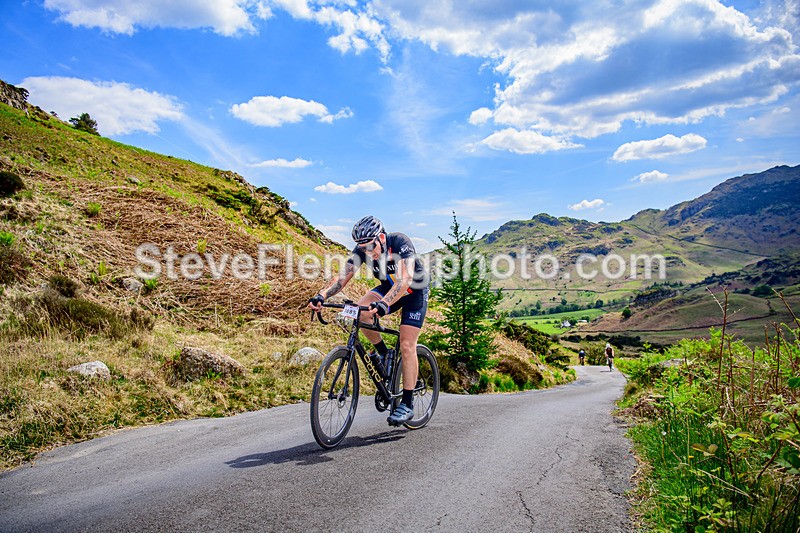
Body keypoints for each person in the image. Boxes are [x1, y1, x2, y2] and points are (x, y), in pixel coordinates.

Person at [308, 215, 429, 426]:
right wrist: (322, 295)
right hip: (389, 289)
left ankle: (407, 403)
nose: (368, 252)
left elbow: (405, 279)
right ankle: (384, 353)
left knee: (407, 344)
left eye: (371, 246)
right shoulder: (362, 251)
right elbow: (342, 278)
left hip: (414, 291)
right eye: (362, 248)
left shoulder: (400, 243)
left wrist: (383, 304)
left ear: (381, 237)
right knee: (361, 311)